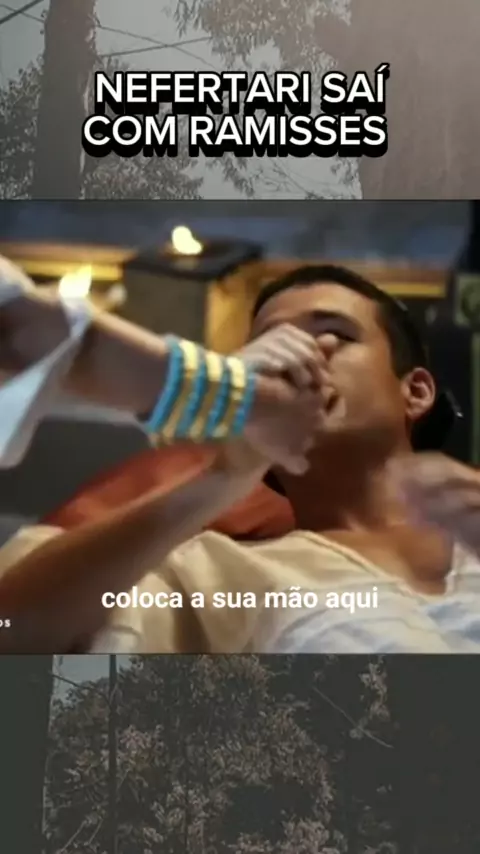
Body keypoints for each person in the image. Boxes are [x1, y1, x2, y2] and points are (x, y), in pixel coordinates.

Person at [2, 263, 480, 653]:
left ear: (416, 391)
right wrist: (225, 472)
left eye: (335, 333)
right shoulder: (223, 578)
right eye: (273, 340)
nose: (299, 355)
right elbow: (13, 629)